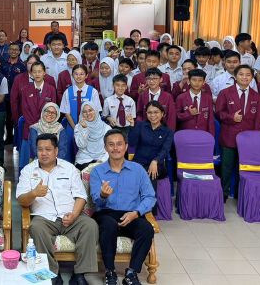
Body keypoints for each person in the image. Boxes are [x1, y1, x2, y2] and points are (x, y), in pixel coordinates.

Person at [16, 133, 98, 285]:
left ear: (56, 151)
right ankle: (52, 273)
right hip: (44, 218)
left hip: (71, 215)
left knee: (90, 225)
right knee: (36, 227)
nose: (44, 153)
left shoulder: (69, 168)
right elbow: (21, 200)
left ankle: (79, 274)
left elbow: (80, 196)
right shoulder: (28, 171)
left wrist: (74, 214)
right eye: (40, 149)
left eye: (48, 149)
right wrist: (34, 193)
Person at [90, 129, 156, 285]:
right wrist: (103, 196)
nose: (115, 148)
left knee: (147, 229)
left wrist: (136, 213)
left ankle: (132, 273)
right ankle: (110, 272)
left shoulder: (138, 170)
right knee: (108, 224)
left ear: (126, 146)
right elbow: (96, 202)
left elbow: (150, 196)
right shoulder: (97, 172)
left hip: (131, 214)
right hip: (106, 214)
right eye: (111, 145)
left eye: (119, 144)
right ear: (105, 148)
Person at [215, 65, 260, 202]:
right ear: (235, 77)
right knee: (226, 167)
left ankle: (240, 194)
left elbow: (258, 120)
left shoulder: (257, 96)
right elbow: (218, 112)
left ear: (252, 78)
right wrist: (231, 117)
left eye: (248, 75)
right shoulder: (225, 93)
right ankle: (223, 193)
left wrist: (255, 139)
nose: (244, 77)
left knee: (243, 168)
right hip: (229, 137)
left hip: (248, 139)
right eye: (241, 74)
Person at [128, 102, 174, 199]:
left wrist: (155, 160)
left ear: (162, 114)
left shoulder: (168, 131)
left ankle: (150, 210)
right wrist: (132, 126)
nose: (153, 115)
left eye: (156, 112)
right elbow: (132, 142)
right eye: (149, 112)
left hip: (157, 164)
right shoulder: (141, 125)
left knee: (150, 173)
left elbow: (165, 150)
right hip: (138, 162)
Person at [60, 64, 101, 129]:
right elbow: (67, 113)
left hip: (90, 127)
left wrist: (88, 127)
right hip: (71, 127)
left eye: (81, 74)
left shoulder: (93, 91)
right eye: (76, 74)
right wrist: (75, 128)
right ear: (72, 75)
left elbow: (96, 111)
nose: (78, 76)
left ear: (86, 76)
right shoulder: (67, 92)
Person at [175, 69, 215, 134]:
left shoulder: (208, 98)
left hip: (203, 133)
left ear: (204, 82)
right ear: (189, 81)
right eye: (194, 80)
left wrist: (211, 136)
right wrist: (188, 114)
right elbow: (176, 117)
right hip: (186, 133)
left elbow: (210, 120)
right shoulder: (181, 98)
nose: (197, 83)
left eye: (200, 80)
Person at [74, 102, 111, 170]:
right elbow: (81, 145)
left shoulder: (106, 128)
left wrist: (101, 161)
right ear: (82, 114)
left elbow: (109, 149)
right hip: (84, 160)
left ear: (96, 111)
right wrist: (84, 129)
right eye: (84, 112)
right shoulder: (78, 127)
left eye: (90, 110)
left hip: (102, 160)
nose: (88, 114)